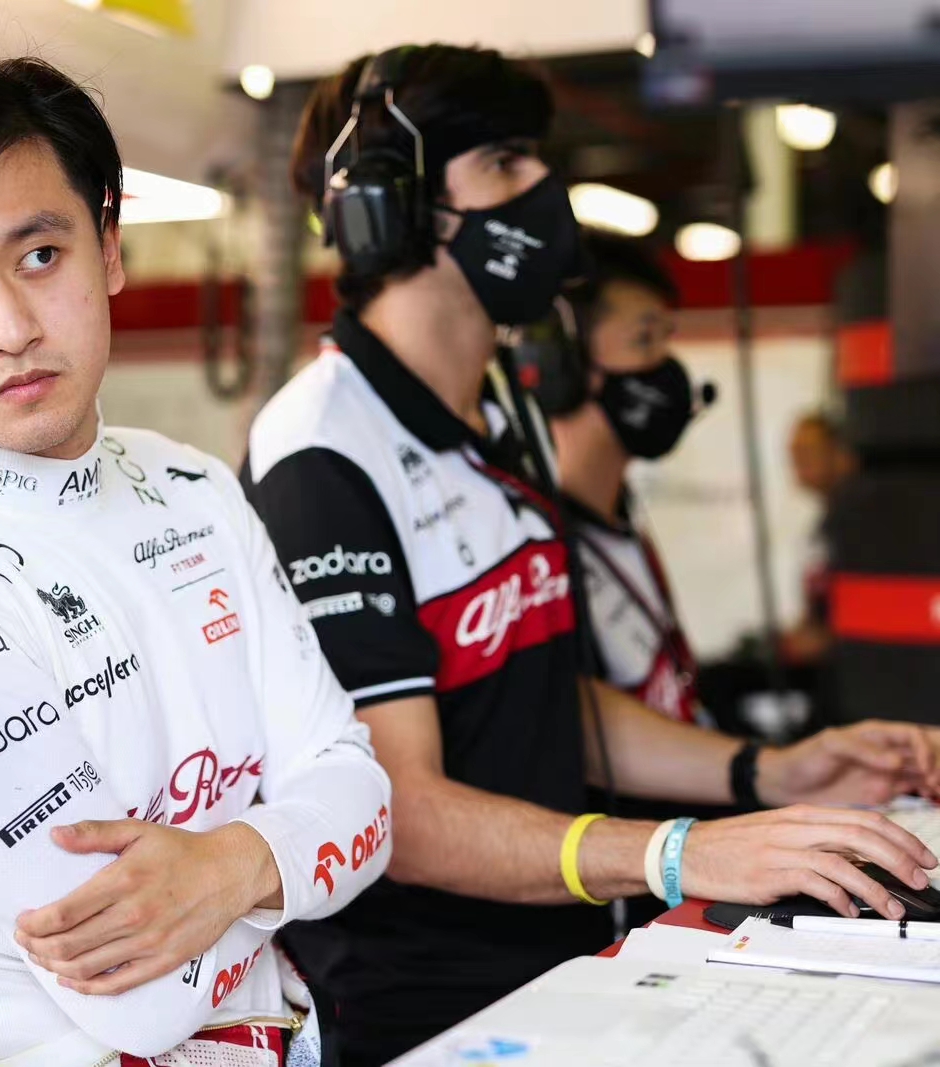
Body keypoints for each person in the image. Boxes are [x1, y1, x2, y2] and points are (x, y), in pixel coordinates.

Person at [242, 43, 940, 1064]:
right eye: (504, 163)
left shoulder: (504, 415)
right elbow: (397, 808)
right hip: (417, 1005)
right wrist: (677, 850)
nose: (544, 190)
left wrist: (766, 769)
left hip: (559, 957)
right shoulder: (323, 451)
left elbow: (541, 691)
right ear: (385, 207)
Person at [0, 48, 393, 1067]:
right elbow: (143, 993)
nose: (10, 327)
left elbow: (367, 799)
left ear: (110, 247)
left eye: (42, 255)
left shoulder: (194, 485)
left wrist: (226, 867)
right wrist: (285, 854)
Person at [539, 233, 706, 728]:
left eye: (665, 340)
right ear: (564, 364)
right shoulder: (543, 555)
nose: (666, 366)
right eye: (644, 340)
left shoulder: (625, 529)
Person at [782, 411, 858, 667]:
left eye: (807, 451)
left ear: (841, 455)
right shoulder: (825, 524)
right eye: (793, 453)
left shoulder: (859, 523)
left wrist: (829, 638)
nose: (797, 461)